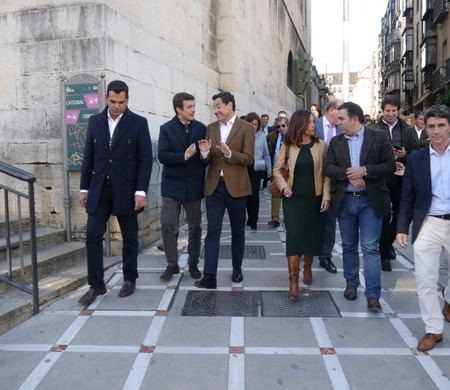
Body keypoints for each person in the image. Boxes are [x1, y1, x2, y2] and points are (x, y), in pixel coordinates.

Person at [78, 80, 153, 305]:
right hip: (99, 188)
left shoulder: (139, 123)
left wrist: (140, 192)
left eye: (121, 102)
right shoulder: (95, 121)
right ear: (107, 99)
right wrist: (84, 188)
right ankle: (96, 284)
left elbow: (145, 160)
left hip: (127, 190)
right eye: (113, 101)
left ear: (127, 100)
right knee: (92, 234)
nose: (117, 106)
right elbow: (88, 157)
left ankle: (129, 279)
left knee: (129, 237)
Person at [324, 102, 396, 312]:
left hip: (370, 201)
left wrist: (365, 171)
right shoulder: (336, 142)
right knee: (348, 246)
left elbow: (390, 166)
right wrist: (350, 174)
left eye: (341, 119)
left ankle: (373, 294)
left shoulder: (379, 138)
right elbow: (328, 168)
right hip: (345, 201)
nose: (338, 123)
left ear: (354, 119)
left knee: (370, 248)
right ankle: (351, 283)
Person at [396, 105, 450, 352]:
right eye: (431, 126)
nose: (436, 131)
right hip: (428, 222)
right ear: (425, 129)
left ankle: (447, 298)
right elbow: (407, 196)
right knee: (425, 279)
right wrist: (402, 228)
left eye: (441, 125)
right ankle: (433, 329)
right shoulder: (416, 159)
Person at [195, 92, 254, 289]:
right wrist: (204, 152)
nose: (216, 110)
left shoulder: (246, 128)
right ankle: (209, 275)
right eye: (214, 107)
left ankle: (237, 268)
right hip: (214, 187)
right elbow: (206, 160)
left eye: (219, 106)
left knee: (238, 231)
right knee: (213, 231)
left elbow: (248, 158)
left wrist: (230, 153)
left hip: (237, 188)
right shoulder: (210, 128)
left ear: (230, 105)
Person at [272, 109, 330, 299]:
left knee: (311, 237)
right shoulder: (287, 146)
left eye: (314, 122)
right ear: (301, 125)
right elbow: (277, 171)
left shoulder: (322, 146)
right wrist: (283, 187)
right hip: (293, 200)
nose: (314, 125)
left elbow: (326, 175)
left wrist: (326, 196)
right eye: (311, 122)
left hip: (314, 199)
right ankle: (293, 282)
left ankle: (307, 267)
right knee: (294, 238)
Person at [158, 92, 207, 281]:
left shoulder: (201, 128)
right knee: (168, 225)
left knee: (195, 227)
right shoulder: (166, 129)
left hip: (194, 185)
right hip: (172, 185)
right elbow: (162, 155)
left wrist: (204, 154)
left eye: (194, 106)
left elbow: (206, 159)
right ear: (178, 109)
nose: (193, 109)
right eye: (189, 107)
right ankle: (172, 265)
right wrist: (183, 157)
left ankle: (193, 264)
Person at [369, 95, 416, 272]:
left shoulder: (406, 128)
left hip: (401, 178)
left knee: (401, 214)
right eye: (387, 110)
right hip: (381, 178)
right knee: (383, 215)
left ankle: (388, 243)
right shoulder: (373, 129)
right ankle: (384, 254)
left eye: (394, 111)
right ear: (383, 110)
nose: (390, 114)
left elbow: (415, 150)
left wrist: (405, 154)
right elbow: (369, 154)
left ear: (398, 111)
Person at [314, 99, 344, 274]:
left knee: (330, 222)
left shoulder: (343, 128)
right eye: (341, 110)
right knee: (309, 219)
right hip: (311, 180)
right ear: (332, 109)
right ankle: (306, 250)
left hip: (333, 182)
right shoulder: (313, 124)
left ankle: (325, 256)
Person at [244, 112, 271, 230]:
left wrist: (269, 169)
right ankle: (248, 217)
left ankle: (253, 219)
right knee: (245, 195)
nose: (253, 126)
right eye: (251, 124)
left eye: (255, 124)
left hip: (256, 168)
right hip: (244, 168)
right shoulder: (242, 135)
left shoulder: (261, 136)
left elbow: (266, 154)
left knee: (254, 194)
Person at [267, 116, 289, 228]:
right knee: (275, 193)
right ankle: (275, 218)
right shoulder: (272, 136)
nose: (281, 128)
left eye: (283, 125)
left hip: (289, 171)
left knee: (288, 194)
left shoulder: (293, 137)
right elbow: (268, 152)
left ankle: (288, 216)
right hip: (276, 170)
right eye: (278, 126)